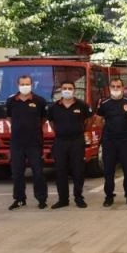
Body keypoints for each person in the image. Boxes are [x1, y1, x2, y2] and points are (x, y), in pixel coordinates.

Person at [5, 75, 48, 210]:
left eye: (27, 84)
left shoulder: (40, 101)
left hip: (34, 143)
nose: (25, 86)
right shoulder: (11, 101)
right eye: (22, 84)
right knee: (17, 173)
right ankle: (19, 199)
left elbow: (43, 120)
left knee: (38, 172)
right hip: (17, 143)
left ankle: (41, 199)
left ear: (32, 84)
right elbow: (10, 118)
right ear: (18, 85)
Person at [47, 81, 93, 209]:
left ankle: (79, 198)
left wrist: (79, 130)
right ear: (60, 90)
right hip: (60, 142)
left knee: (78, 170)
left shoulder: (82, 105)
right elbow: (51, 123)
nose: (67, 90)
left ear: (74, 90)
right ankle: (63, 199)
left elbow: (89, 121)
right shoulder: (53, 107)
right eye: (64, 88)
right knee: (60, 171)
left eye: (70, 88)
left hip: (77, 141)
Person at [96, 77, 127, 207]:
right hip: (109, 142)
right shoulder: (104, 103)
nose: (116, 89)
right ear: (109, 88)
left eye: (118, 86)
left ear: (123, 88)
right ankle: (109, 196)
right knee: (109, 171)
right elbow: (98, 120)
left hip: (125, 141)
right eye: (113, 86)